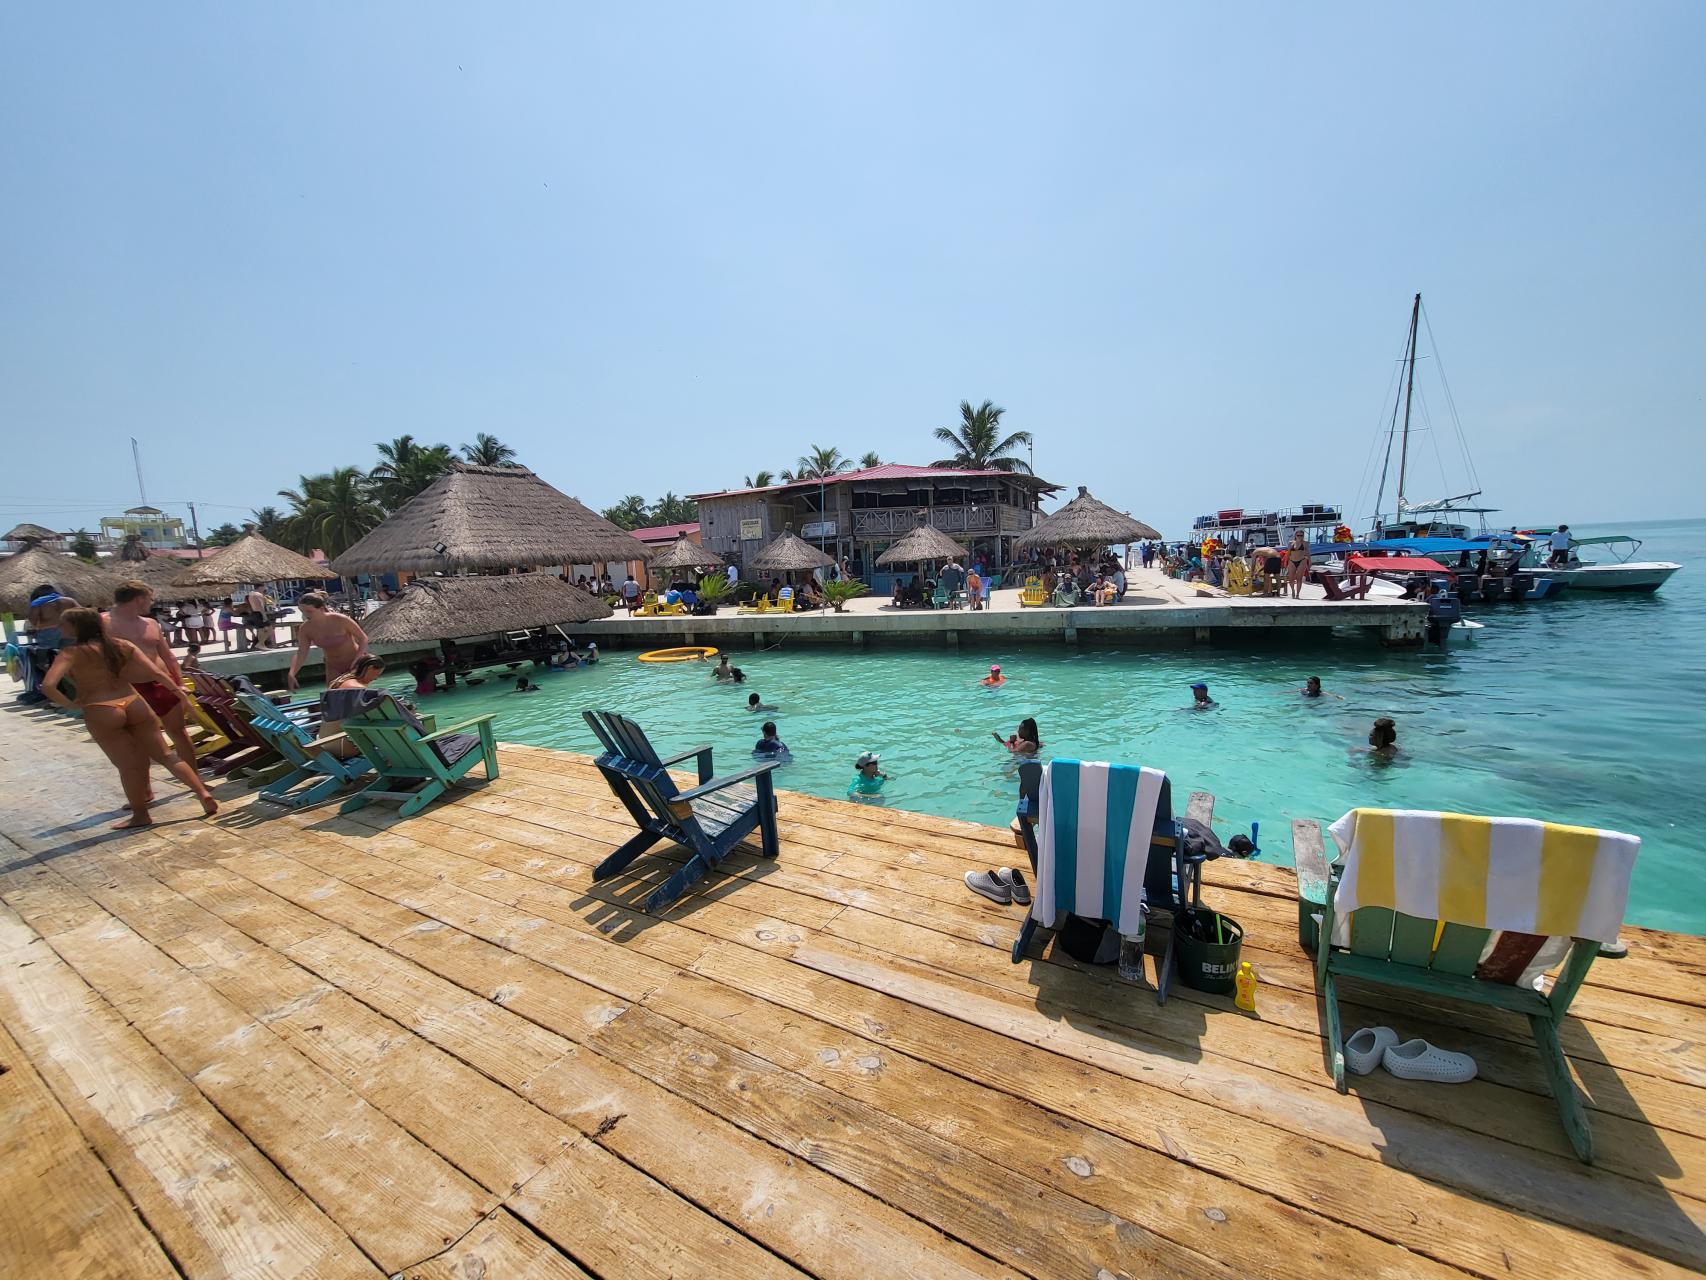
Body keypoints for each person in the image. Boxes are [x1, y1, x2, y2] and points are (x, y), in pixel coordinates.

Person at [40, 608, 218, 827]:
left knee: (128, 766)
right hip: (133, 701)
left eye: (64, 623)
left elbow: (48, 685)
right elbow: (157, 673)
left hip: (100, 707)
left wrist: (70, 704)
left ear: (76, 627)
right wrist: (180, 694)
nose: (60, 627)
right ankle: (201, 792)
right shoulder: (122, 645)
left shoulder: (71, 653)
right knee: (166, 754)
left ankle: (140, 814)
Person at [104, 581, 200, 771]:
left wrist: (178, 684)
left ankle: (195, 778)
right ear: (139, 599)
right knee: (135, 738)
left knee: (179, 732)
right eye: (150, 598)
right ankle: (143, 787)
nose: (152, 602)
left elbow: (168, 656)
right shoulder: (103, 622)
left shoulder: (151, 623)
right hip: (128, 686)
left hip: (161, 684)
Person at [286, 590, 370, 691]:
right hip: (333, 666)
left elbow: (363, 638)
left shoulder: (340, 620)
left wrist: (358, 660)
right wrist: (292, 673)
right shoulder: (305, 629)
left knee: (356, 694)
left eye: (309, 611)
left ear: (321, 609)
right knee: (333, 696)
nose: (306, 615)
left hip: (354, 662)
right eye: (302, 611)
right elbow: (301, 652)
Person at [316, 655, 387, 757]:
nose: (376, 678)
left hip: (323, 741)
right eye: (377, 674)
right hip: (342, 746)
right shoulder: (357, 689)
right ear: (370, 668)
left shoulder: (339, 681)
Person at [1286, 531, 1312, 599]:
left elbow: (1308, 553)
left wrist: (1310, 562)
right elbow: (1288, 553)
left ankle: (1298, 594)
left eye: (1301, 535)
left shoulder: (1305, 543)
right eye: (1298, 535)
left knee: (1299, 578)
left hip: (1302, 560)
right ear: (1295, 536)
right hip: (1292, 561)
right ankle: (1293, 590)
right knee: (1291, 578)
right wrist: (1285, 561)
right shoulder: (1290, 543)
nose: (1300, 537)